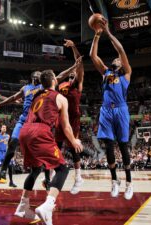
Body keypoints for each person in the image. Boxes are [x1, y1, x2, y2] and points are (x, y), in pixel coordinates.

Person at [0, 59, 82, 186]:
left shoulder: (43, 88)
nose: (38, 75)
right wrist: (0, 104)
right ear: (32, 77)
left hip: (39, 121)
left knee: (44, 152)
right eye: (36, 74)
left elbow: (60, 76)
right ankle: (2, 173)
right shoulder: (26, 88)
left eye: (41, 74)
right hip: (24, 119)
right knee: (12, 143)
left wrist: (73, 67)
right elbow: (13, 98)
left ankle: (47, 178)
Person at [14, 70, 83, 224]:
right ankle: (48, 205)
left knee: (36, 169)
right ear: (53, 80)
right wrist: (74, 141)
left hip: (25, 131)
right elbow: (65, 127)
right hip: (40, 131)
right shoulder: (60, 98)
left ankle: (22, 206)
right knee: (62, 168)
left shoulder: (37, 93)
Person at [90, 18, 133, 200]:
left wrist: (108, 32)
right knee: (108, 145)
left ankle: (129, 182)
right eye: (114, 59)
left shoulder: (127, 74)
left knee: (123, 146)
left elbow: (121, 50)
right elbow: (93, 56)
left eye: (118, 60)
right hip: (106, 110)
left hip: (121, 110)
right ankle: (114, 180)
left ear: (122, 64)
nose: (116, 60)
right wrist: (96, 37)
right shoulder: (106, 72)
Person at [55, 39, 85, 195]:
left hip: (73, 119)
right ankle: (54, 176)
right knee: (56, 146)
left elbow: (79, 62)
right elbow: (59, 76)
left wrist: (73, 46)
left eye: (76, 72)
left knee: (73, 149)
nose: (74, 72)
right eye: (72, 72)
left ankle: (78, 178)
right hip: (61, 117)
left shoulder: (77, 83)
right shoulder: (60, 85)